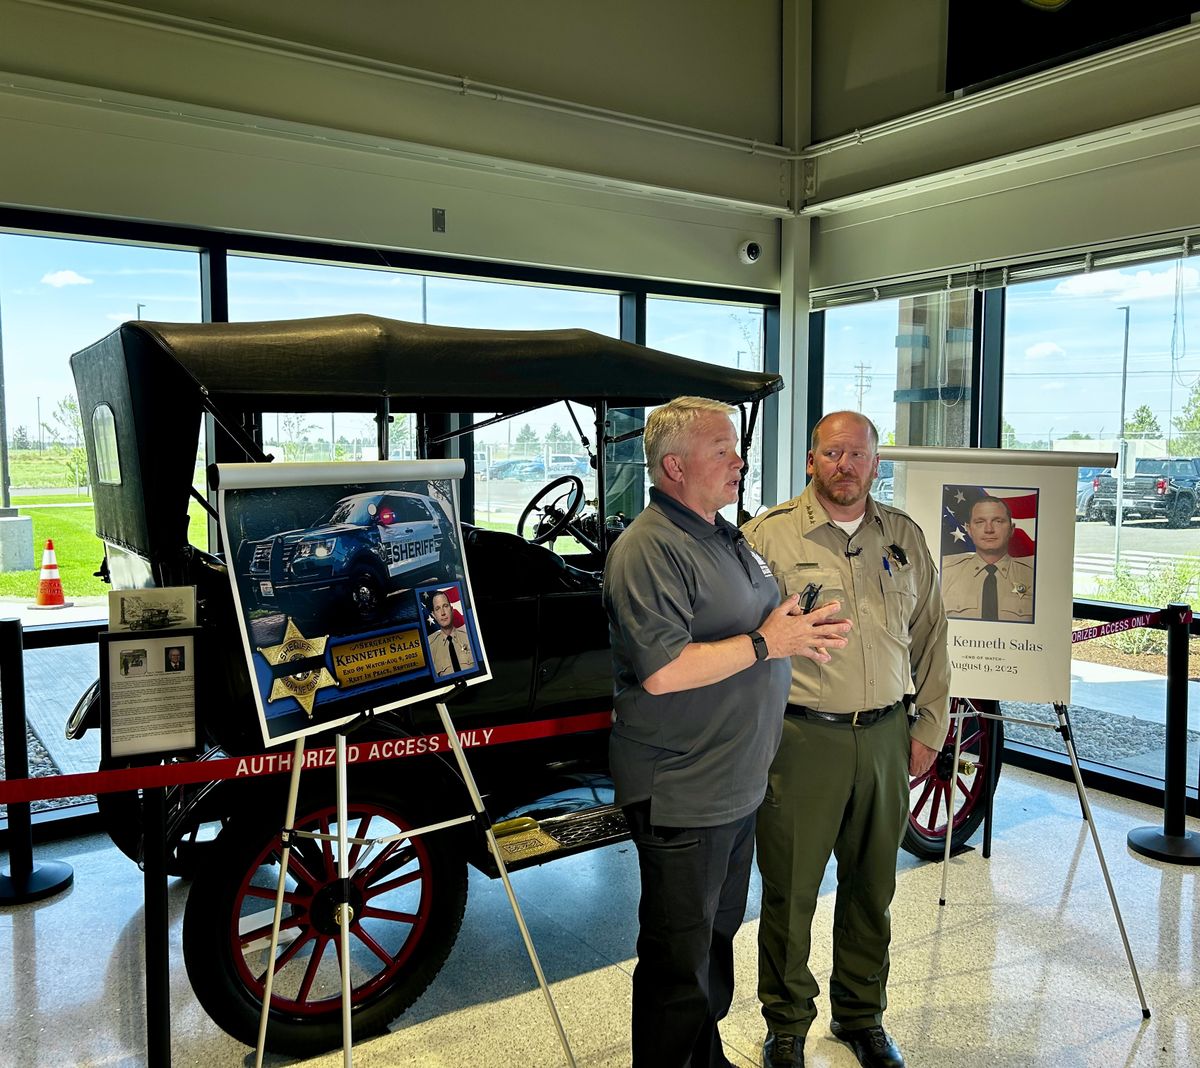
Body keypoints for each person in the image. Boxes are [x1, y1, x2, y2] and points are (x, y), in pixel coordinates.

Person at [604, 396, 854, 1068]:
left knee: (710, 948)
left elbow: (761, 620)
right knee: (676, 963)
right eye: (722, 449)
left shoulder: (724, 533)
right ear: (676, 465)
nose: (739, 459)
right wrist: (768, 644)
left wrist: (796, 628)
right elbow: (662, 671)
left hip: (733, 785)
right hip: (682, 789)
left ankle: (702, 1059)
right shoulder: (649, 549)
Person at [741, 411, 950, 1068]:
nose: (846, 466)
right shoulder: (767, 537)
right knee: (791, 889)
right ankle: (786, 1025)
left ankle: (861, 1015)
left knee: (873, 887)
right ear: (811, 460)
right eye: (833, 453)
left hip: (887, 736)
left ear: (875, 464)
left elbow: (932, 639)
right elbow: (741, 647)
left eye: (858, 455)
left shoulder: (905, 537)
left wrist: (931, 731)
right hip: (802, 742)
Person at [941, 496, 1034, 622]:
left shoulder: (1034, 575)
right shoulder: (945, 572)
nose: (989, 529)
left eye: (998, 521)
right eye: (980, 522)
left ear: (1012, 529)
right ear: (969, 529)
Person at [426, 589, 476, 675]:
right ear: (433, 615)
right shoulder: (429, 647)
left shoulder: (471, 637)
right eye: (437, 609)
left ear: (451, 609)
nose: (442, 613)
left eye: (445, 606)